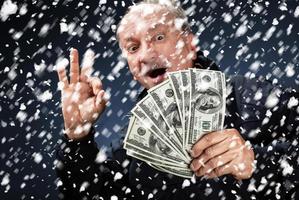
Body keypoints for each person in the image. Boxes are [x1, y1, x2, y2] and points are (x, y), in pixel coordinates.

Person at [55, 0, 299, 199]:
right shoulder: (129, 146)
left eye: (159, 37)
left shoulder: (251, 96)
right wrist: (77, 137)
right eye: (133, 47)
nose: (147, 54)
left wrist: (258, 163)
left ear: (189, 44)